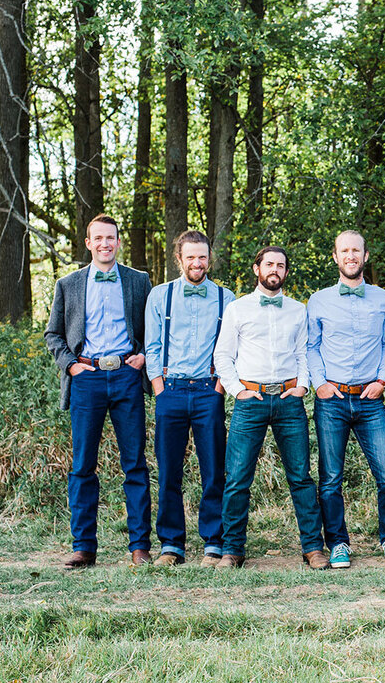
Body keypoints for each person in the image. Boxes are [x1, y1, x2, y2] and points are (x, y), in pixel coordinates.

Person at [44, 214, 152, 569]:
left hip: (126, 375)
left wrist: (144, 358)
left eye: (111, 238)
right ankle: (83, 546)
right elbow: (53, 334)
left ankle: (139, 547)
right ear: (88, 243)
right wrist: (71, 364)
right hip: (87, 377)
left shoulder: (139, 281)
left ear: (119, 242)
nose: (105, 244)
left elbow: (153, 329)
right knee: (82, 466)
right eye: (98, 239)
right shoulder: (69, 284)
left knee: (134, 463)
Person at [212, 245, 326, 570]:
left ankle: (313, 547)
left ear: (286, 272)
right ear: (257, 268)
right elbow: (223, 356)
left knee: (301, 477)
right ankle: (232, 550)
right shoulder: (238, 309)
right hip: (252, 399)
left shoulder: (297, 310)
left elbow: (304, 351)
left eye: (281, 265)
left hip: (289, 400)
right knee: (237, 478)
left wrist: (302, 385)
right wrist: (236, 390)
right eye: (269, 264)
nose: (275, 269)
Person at [307, 230, 385, 569]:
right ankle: (337, 543)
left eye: (356, 251)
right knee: (331, 477)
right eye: (344, 251)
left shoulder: (383, 299)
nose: (351, 256)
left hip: (370, 398)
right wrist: (319, 383)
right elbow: (311, 347)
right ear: (335, 257)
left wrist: (383, 379)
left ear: (365, 256)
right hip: (332, 399)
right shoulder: (318, 301)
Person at [143, 230, 233, 567]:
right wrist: (158, 387)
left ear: (210, 258)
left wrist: (221, 387)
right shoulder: (159, 296)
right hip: (171, 391)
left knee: (213, 471)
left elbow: (230, 348)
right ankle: (171, 545)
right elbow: (151, 346)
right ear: (178, 259)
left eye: (202, 257)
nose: (197, 263)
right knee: (168, 472)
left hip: (209, 390)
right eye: (190, 257)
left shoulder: (228, 298)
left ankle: (213, 542)